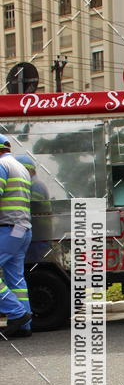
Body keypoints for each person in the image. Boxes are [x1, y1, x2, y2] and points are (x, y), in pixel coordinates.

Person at [0, 137, 34, 339]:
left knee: (15, 276)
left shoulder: (1, 165)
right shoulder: (20, 167)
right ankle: (24, 325)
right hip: (22, 230)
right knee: (16, 278)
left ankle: (17, 314)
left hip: (8, 229)